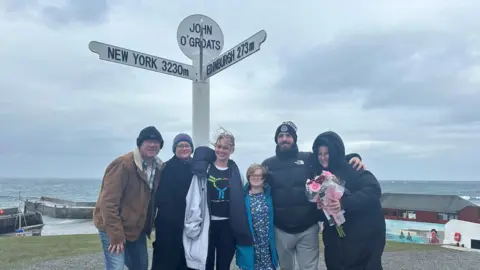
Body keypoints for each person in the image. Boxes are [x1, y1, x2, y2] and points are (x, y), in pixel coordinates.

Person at [261, 121, 365, 270]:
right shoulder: (268, 164)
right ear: (276, 139)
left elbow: (330, 160)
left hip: (307, 229)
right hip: (280, 230)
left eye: (288, 135)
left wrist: (353, 157)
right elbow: (255, 182)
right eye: (281, 136)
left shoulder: (309, 159)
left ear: (294, 138)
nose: (284, 139)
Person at [93, 126, 165, 270]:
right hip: (113, 227)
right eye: (148, 141)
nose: (152, 144)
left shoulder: (158, 168)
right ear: (140, 144)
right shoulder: (123, 164)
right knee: (116, 267)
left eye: (156, 141)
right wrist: (115, 234)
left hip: (136, 229)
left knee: (140, 266)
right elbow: (108, 202)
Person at [311, 131, 386, 270]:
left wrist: (344, 203)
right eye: (319, 154)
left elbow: (373, 190)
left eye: (326, 153)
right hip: (336, 241)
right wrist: (321, 207)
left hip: (362, 240)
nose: (322, 158)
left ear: (335, 152)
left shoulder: (354, 168)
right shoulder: (320, 177)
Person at [183, 129, 253, 270]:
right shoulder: (204, 170)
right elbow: (194, 197)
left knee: (224, 265)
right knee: (206, 264)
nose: (221, 150)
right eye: (219, 146)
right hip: (207, 226)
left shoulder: (235, 171)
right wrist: (192, 223)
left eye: (225, 148)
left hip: (228, 226)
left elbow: (242, 195)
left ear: (231, 149)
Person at [151, 133, 194, 270]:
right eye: (180, 145)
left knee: (187, 259)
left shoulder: (197, 168)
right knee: (166, 259)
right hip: (168, 223)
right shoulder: (165, 168)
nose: (184, 148)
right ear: (174, 148)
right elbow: (157, 195)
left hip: (190, 222)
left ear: (191, 148)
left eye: (187, 145)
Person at [236, 163, 278, 270]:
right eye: (253, 175)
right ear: (248, 177)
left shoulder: (270, 195)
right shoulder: (242, 197)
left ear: (264, 178)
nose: (256, 178)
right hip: (250, 241)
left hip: (267, 242)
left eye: (259, 176)